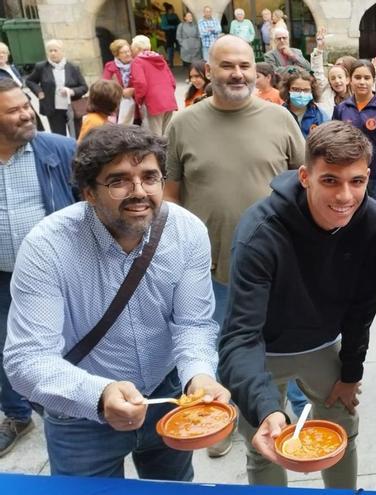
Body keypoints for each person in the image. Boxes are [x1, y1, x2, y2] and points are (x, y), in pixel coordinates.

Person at [4, 123, 230, 477]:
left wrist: (198, 376)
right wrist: (100, 393)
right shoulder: (47, 246)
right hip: (82, 410)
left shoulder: (187, 231)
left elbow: (193, 324)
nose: (139, 192)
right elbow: (26, 359)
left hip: (168, 396)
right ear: (88, 192)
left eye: (150, 177)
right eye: (119, 180)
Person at [219, 120, 376, 488]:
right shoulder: (259, 232)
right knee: (263, 441)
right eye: (330, 180)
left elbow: (364, 305)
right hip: (265, 346)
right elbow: (240, 336)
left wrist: (351, 372)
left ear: (367, 177)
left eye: (356, 181)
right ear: (305, 176)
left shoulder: (374, 223)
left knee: (343, 430)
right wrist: (264, 409)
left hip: (324, 344)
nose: (345, 196)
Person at [164, 34, 305, 329]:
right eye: (227, 66)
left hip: (275, 265)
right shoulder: (182, 124)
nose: (238, 74)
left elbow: (307, 185)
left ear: (256, 71)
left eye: (245, 65)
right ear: (208, 72)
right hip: (207, 273)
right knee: (214, 358)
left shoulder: (281, 119)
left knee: (280, 358)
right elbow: (170, 196)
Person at [0, 79, 76, 457]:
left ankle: (73, 410)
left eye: (25, 105)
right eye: (13, 111)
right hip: (2, 280)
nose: (26, 114)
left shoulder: (61, 151)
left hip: (57, 277)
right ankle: (16, 414)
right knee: (5, 348)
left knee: (65, 343)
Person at [333, 60, 376, 197]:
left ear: (373, 80)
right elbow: (333, 141)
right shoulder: (341, 109)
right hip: (347, 172)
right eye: (358, 77)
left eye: (367, 78)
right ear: (349, 79)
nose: (362, 82)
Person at [25, 40, 87, 138]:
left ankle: (77, 152)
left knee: (76, 136)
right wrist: (39, 92)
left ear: (62, 51)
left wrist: (72, 91)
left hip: (72, 107)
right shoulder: (41, 67)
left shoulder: (73, 67)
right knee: (58, 137)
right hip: (53, 110)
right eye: (50, 51)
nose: (53, 53)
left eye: (55, 50)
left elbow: (84, 87)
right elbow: (29, 81)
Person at [130, 35, 177, 136]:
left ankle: (160, 152)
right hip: (169, 99)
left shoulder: (137, 61)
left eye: (132, 48)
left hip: (154, 102)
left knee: (156, 136)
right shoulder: (160, 59)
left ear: (137, 49)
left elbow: (140, 83)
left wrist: (139, 100)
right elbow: (172, 81)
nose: (131, 52)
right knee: (166, 134)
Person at [283, 67, 327, 138]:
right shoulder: (280, 113)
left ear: (312, 91)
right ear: (288, 89)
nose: (301, 94)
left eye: (306, 90)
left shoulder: (321, 115)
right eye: (296, 89)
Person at [101, 39, 137, 125]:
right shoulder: (110, 66)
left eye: (128, 51)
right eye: (124, 52)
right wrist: (120, 92)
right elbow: (105, 86)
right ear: (117, 54)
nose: (128, 54)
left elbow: (144, 82)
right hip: (119, 106)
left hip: (137, 106)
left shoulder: (137, 64)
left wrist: (134, 90)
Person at [159, 3, 181, 67]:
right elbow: (163, 26)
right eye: (171, 9)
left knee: (179, 47)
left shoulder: (175, 15)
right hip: (169, 34)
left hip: (177, 34)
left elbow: (179, 23)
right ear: (168, 10)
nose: (173, 10)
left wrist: (177, 26)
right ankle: (170, 63)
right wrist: (171, 27)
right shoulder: (164, 17)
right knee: (170, 49)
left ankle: (184, 62)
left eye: (172, 9)